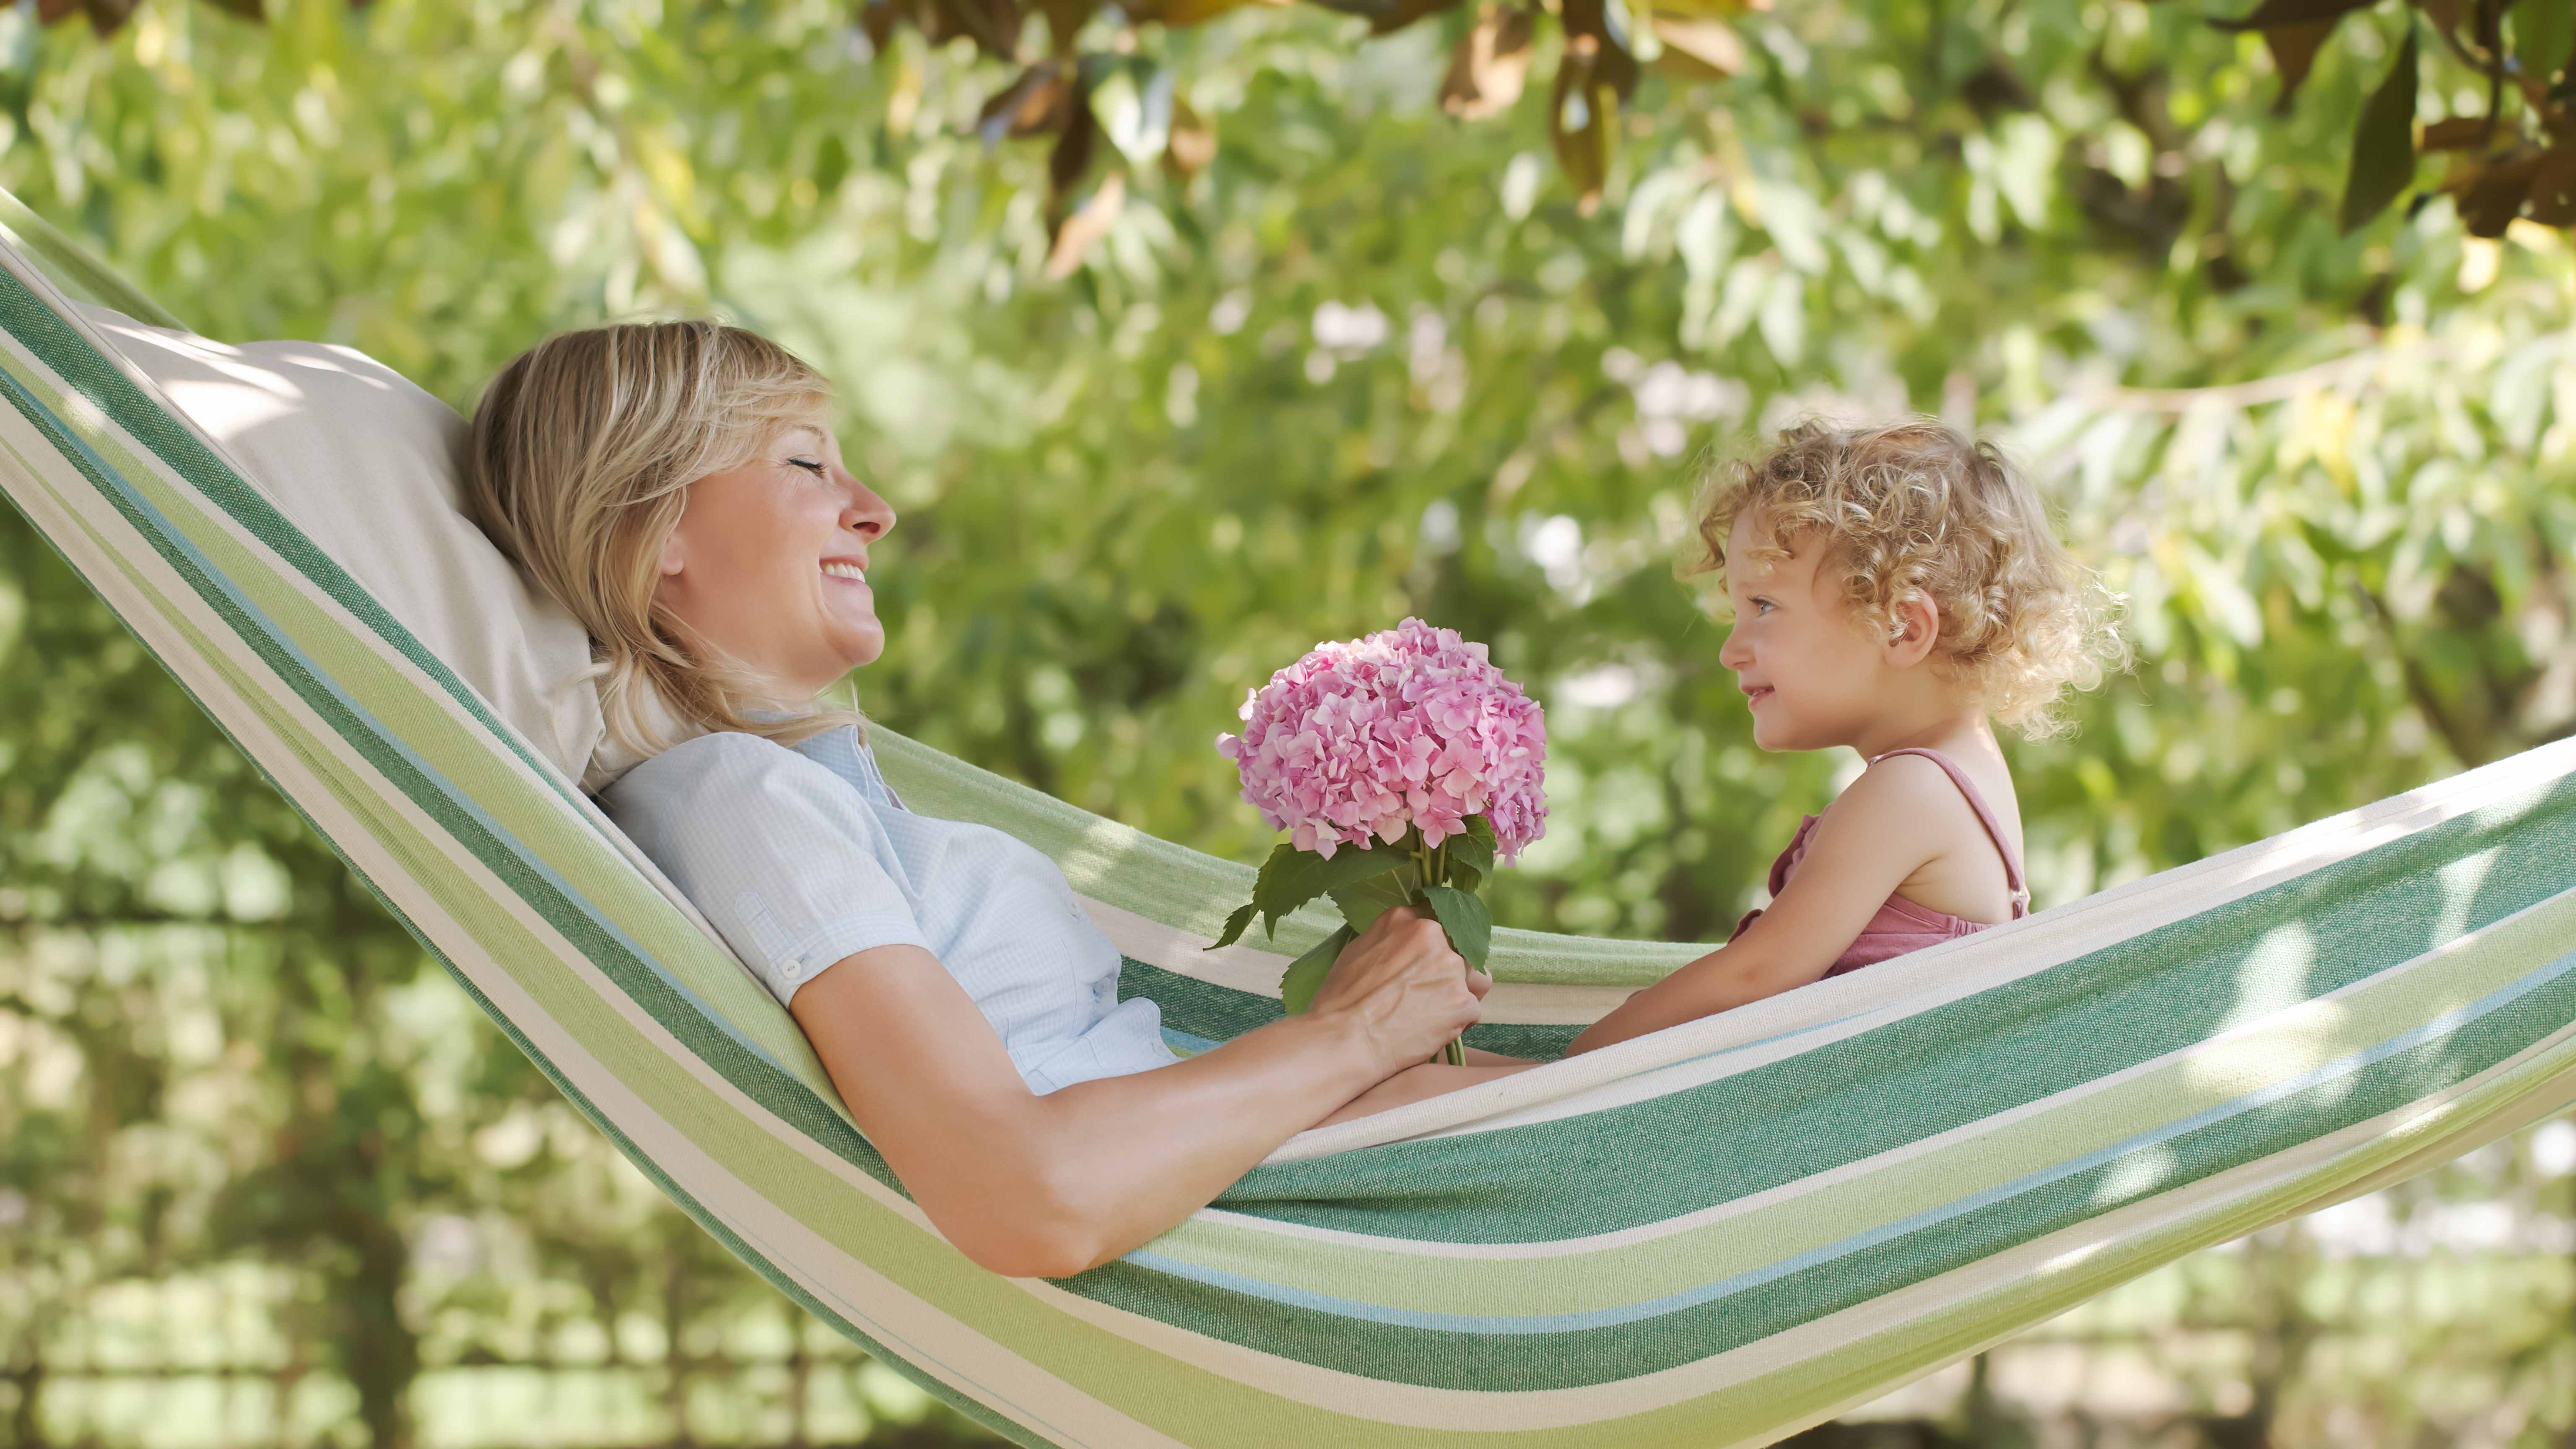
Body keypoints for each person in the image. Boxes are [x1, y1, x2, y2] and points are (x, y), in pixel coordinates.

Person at [462, 321, 1525, 1280]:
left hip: (1324, 1163)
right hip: (1297, 1214)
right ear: (650, 532)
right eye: (804, 464)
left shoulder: (796, 794)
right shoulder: (739, 804)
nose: (874, 512)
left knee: (1683, 1069)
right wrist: (1355, 1033)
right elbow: (1026, 1196)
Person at [1567, 419, 2123, 1056]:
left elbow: (1757, 973)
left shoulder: (1916, 788)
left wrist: (1583, 1058)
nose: (1730, 650)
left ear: (1901, 628)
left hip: (1782, 1125)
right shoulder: (1958, 773)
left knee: (1431, 1095)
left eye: (1764, 607)